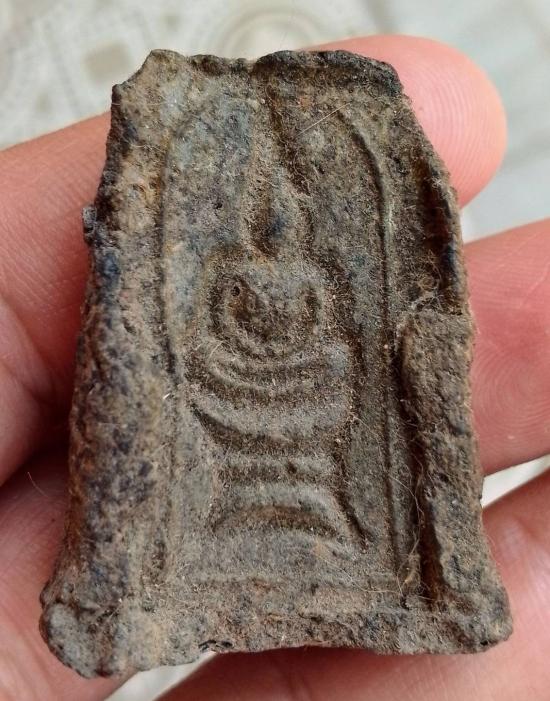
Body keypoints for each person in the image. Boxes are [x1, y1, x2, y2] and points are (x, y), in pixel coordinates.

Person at [0, 34, 548, 701]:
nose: (275, 228)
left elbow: (332, 345)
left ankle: (353, 535)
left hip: (306, 386)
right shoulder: (233, 271)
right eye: (267, 217)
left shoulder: (310, 277)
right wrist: (230, 364)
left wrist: (305, 361)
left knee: (337, 377)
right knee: (201, 384)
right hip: (236, 385)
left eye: (284, 217)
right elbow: (215, 339)